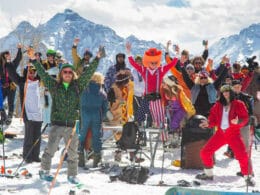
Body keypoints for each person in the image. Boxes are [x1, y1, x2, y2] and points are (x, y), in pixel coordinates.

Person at [28, 46, 104, 184]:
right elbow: (43, 74)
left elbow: (88, 73)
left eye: (70, 72)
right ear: (61, 74)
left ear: (73, 74)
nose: (68, 74)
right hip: (57, 124)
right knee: (50, 149)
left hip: (72, 126)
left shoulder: (78, 86)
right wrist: (34, 60)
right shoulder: (54, 86)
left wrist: (97, 58)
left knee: (73, 153)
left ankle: (72, 176)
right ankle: (44, 171)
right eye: (65, 72)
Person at [196, 84, 255, 187]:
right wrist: (208, 123)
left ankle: (248, 177)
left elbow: (245, 118)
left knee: (242, 155)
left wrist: (238, 122)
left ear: (231, 92)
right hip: (220, 134)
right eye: (223, 92)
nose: (225, 93)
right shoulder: (218, 105)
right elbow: (213, 119)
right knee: (205, 152)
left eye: (227, 91)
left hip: (233, 134)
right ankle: (208, 174)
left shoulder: (238, 104)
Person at [126, 42, 178, 128]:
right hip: (147, 97)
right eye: (151, 63)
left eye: (155, 63)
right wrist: (128, 52)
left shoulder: (161, 70)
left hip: (157, 97)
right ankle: (140, 133)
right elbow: (133, 63)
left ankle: (162, 136)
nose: (153, 64)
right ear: (147, 62)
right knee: (140, 115)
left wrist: (177, 54)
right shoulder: (144, 70)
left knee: (159, 118)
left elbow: (172, 64)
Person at [6, 63, 43, 163]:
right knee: (29, 136)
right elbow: (12, 74)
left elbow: (42, 71)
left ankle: (35, 155)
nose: (32, 74)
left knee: (37, 137)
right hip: (28, 112)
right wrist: (8, 63)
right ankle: (27, 156)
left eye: (34, 72)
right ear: (26, 72)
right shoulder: (22, 82)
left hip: (38, 113)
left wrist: (35, 60)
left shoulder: (38, 80)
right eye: (30, 71)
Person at [78, 72, 108, 168]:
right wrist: (102, 117)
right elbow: (105, 107)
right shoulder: (102, 91)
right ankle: (96, 160)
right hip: (96, 115)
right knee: (96, 136)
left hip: (84, 113)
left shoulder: (83, 88)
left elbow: (78, 101)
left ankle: (80, 158)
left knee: (82, 135)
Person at [0, 44, 22, 124]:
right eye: (6, 55)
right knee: (0, 102)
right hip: (2, 86)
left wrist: (19, 49)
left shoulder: (12, 65)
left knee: (10, 102)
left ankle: (9, 117)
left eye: (9, 55)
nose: (9, 56)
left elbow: (18, 58)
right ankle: (3, 116)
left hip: (11, 86)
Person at [132, 55, 151, 127]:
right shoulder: (133, 71)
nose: (138, 63)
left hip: (144, 94)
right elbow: (133, 83)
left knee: (146, 111)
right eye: (137, 62)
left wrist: (145, 92)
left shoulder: (146, 70)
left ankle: (147, 125)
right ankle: (136, 126)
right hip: (136, 94)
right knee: (136, 111)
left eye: (140, 62)